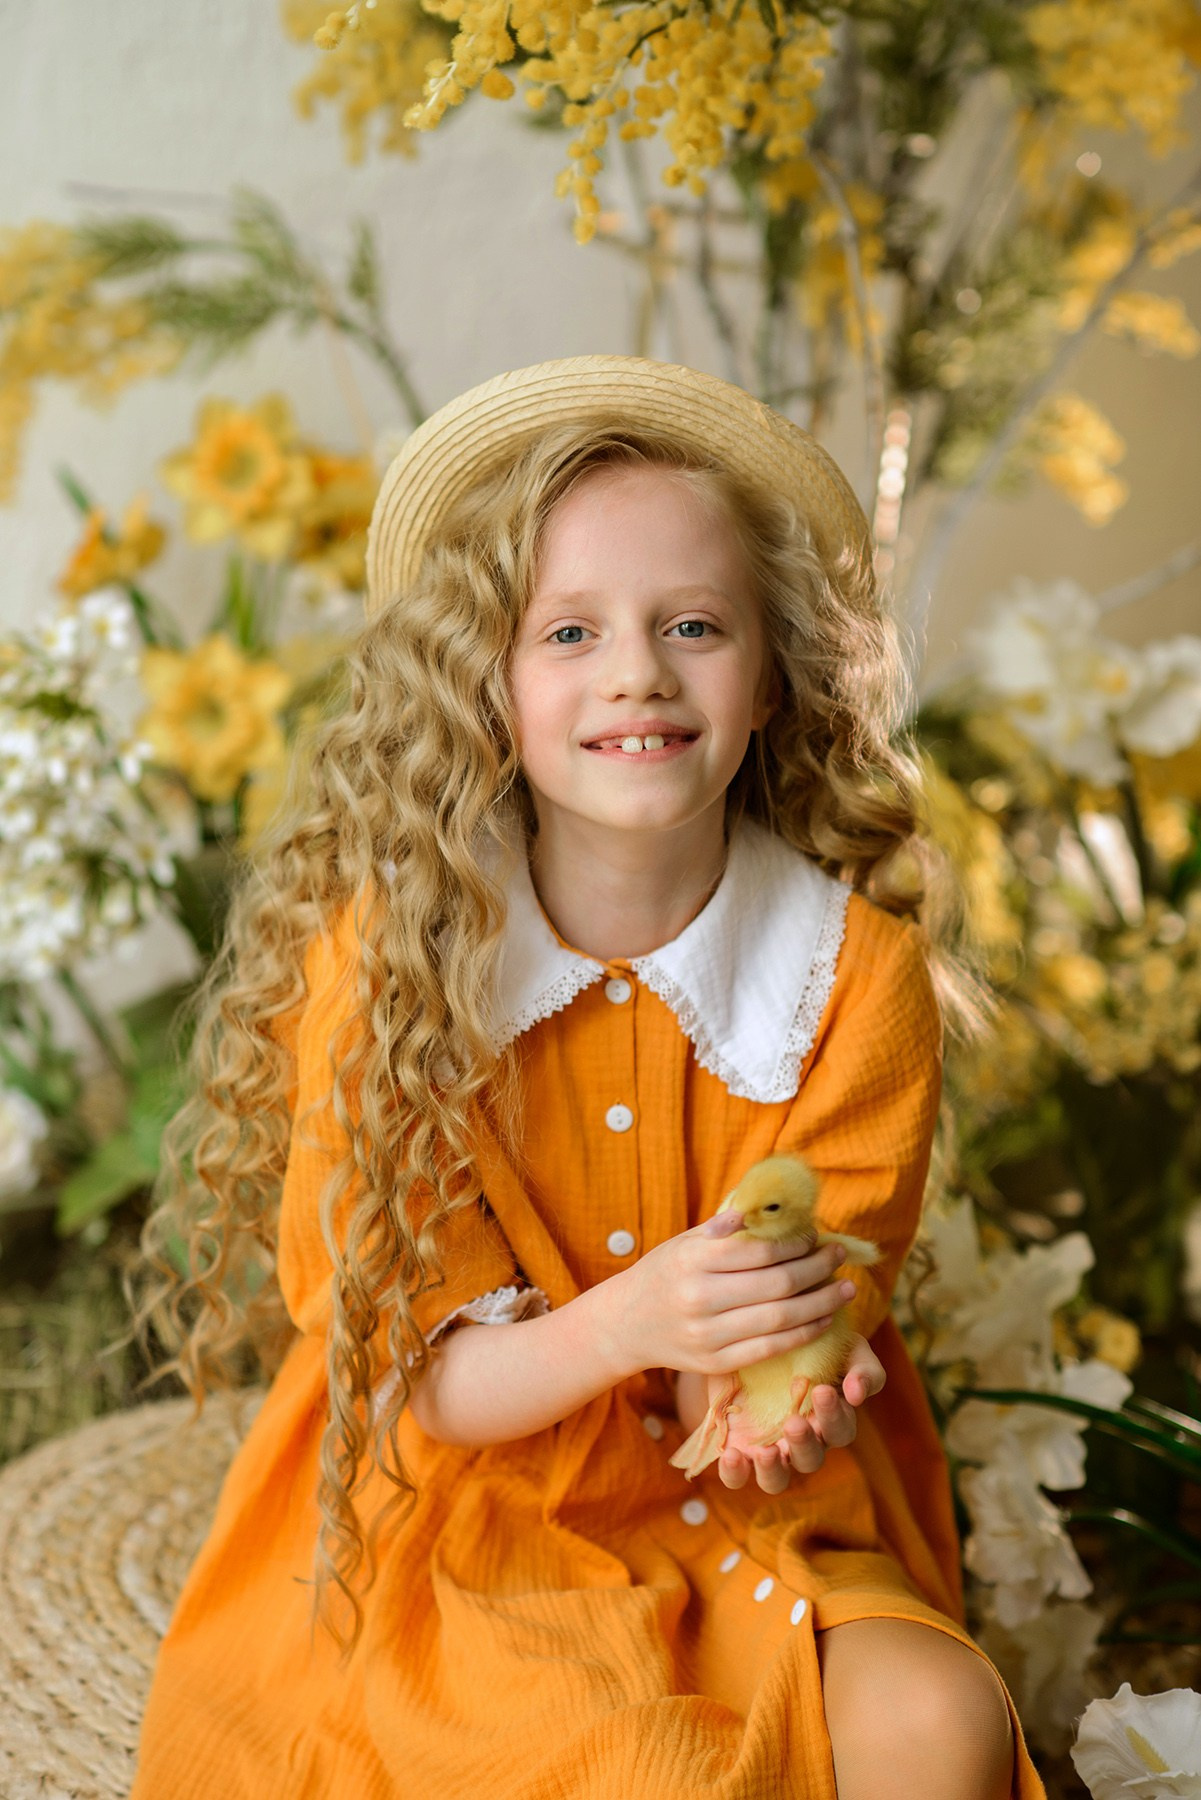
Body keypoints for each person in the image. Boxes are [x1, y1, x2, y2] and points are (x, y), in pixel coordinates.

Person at [130, 356, 1045, 1799]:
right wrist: (633, 1319)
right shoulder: (394, 968)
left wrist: (767, 1388)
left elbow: (788, 1326)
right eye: (568, 631)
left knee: (944, 1724)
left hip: (747, 1512)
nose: (638, 674)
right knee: (632, 1761)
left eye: (694, 625)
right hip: (469, 1508)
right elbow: (422, 1391)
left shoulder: (852, 981)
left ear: (771, 676)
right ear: (485, 686)